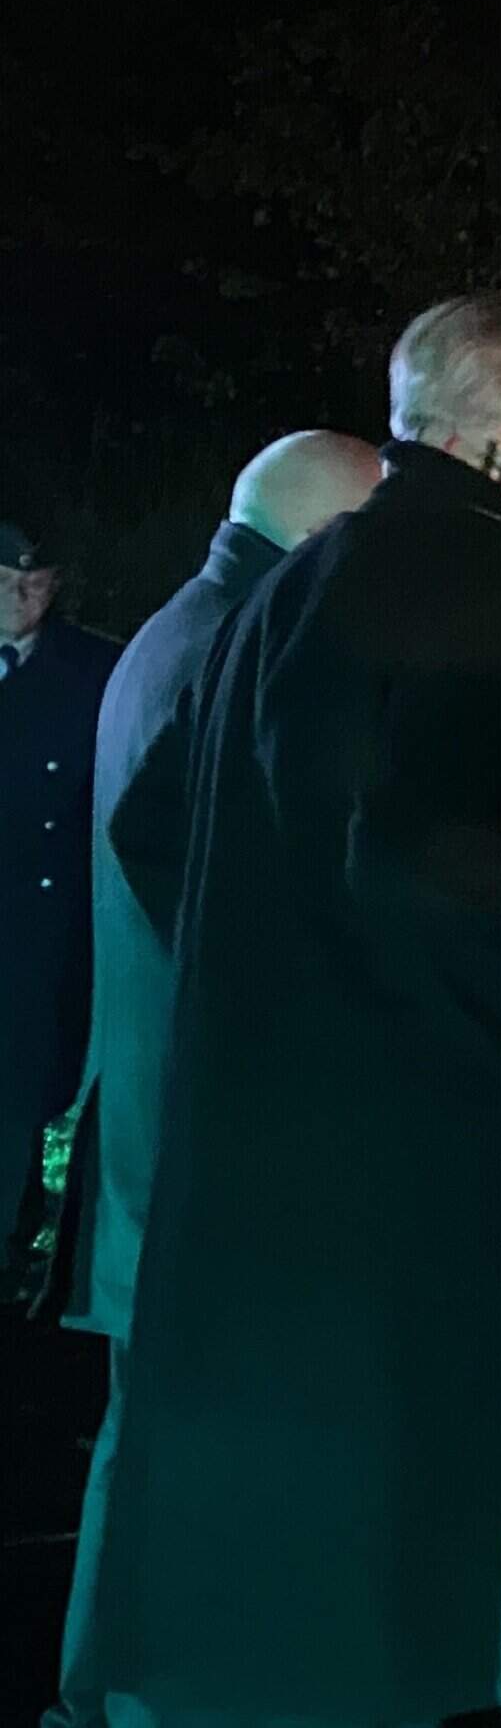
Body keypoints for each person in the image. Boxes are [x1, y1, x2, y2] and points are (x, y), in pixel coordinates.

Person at [73, 293, 501, 1723]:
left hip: (275, 1215)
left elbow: (156, 829)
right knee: (411, 1629)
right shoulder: (494, 597)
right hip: (422, 1241)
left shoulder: (299, 586)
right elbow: (496, 919)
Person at [42, 434, 379, 1727]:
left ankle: (107, 1695)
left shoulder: (176, 637)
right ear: (321, 535)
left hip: (153, 1144)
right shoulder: (233, 658)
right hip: (205, 1156)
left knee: (146, 1460)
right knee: (186, 1473)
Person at [1, 521, 117, 1275]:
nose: (21, 595)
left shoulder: (93, 669)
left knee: (20, 1093)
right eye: (6, 578)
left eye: (36, 581)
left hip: (40, 931)